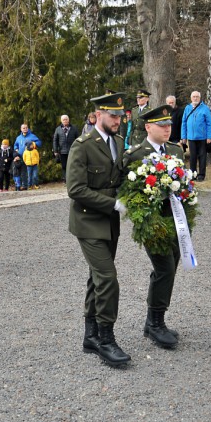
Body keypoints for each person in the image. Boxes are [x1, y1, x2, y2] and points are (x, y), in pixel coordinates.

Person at [66, 92, 130, 367]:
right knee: (107, 278)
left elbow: (121, 175)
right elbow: (76, 189)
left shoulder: (116, 142)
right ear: (98, 115)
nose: (118, 120)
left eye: (120, 115)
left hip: (109, 223)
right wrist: (113, 203)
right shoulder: (83, 145)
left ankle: (90, 336)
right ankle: (106, 339)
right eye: (113, 116)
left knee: (96, 278)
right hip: (88, 222)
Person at [122, 105, 183, 349]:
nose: (167, 129)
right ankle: (156, 324)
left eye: (169, 125)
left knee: (170, 266)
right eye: (162, 125)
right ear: (148, 127)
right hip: (151, 223)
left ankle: (153, 321)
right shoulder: (136, 154)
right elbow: (124, 190)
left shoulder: (176, 150)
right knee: (165, 267)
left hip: (174, 220)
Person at [180, 91, 211, 181]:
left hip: (202, 137)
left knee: (202, 156)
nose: (195, 98)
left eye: (197, 97)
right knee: (192, 157)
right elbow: (183, 123)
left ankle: (201, 175)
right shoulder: (187, 108)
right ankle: (193, 174)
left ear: (200, 98)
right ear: (191, 98)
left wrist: (209, 136)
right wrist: (184, 136)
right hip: (191, 137)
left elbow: (209, 123)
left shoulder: (205, 108)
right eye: (193, 97)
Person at [13, 124, 41, 190]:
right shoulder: (18, 138)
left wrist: (34, 144)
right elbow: (15, 145)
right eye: (23, 128)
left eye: (26, 128)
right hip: (21, 157)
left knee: (31, 173)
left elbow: (39, 143)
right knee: (23, 173)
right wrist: (16, 149)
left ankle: (33, 185)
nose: (25, 129)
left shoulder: (32, 136)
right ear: (21, 129)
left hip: (30, 157)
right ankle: (25, 186)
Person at [52, 114, 79, 182]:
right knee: (64, 165)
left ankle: (72, 178)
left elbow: (78, 139)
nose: (65, 121)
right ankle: (65, 178)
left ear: (68, 120)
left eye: (66, 119)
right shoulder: (58, 129)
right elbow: (55, 140)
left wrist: (78, 149)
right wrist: (55, 151)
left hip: (72, 150)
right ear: (61, 121)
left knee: (72, 165)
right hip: (62, 151)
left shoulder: (74, 128)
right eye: (63, 119)